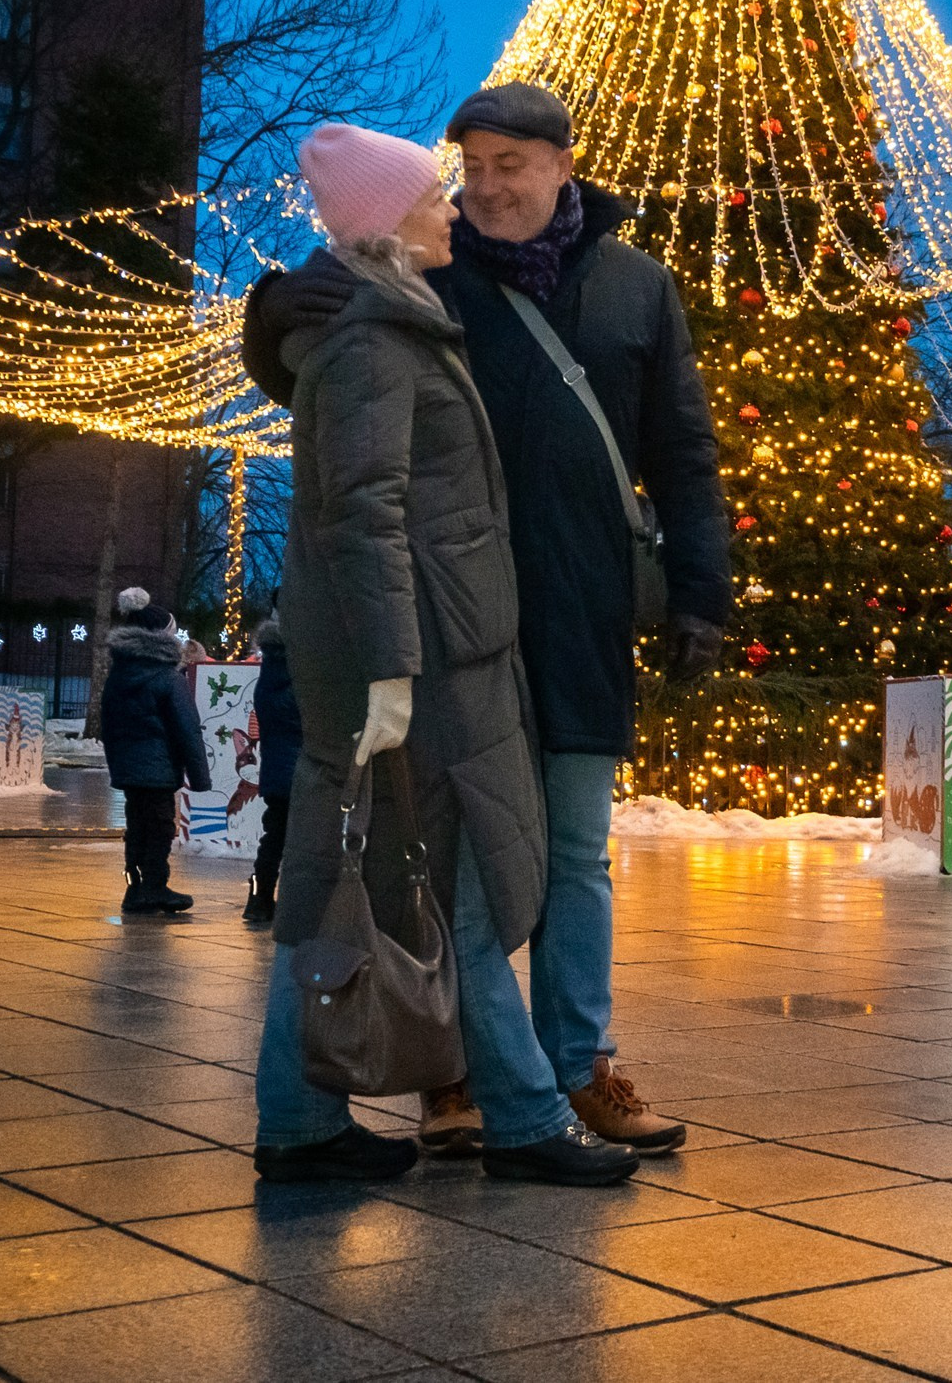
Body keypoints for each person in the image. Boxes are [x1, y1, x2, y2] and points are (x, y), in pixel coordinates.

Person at [246, 83, 728, 1158]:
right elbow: (332, 375)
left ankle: (574, 1070)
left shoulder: (634, 288)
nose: (489, 186)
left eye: (514, 163)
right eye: (473, 165)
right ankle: (455, 1078)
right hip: (452, 620)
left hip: (582, 610)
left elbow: (683, 452)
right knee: (442, 855)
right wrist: (277, 311)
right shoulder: (431, 271)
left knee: (570, 850)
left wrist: (701, 592)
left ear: (564, 165)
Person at [99, 586, 210, 915]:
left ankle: (135, 890)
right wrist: (200, 777)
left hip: (130, 769)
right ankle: (155, 887)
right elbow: (187, 728)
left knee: (137, 826)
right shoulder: (168, 677)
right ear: (163, 639)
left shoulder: (119, 674)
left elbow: (108, 723)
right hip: (159, 768)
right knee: (161, 826)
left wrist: (119, 760)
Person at [244, 609, 301, 924]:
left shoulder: (269, 674)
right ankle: (290, 904)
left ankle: (258, 898)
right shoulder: (303, 671)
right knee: (301, 841)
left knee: (273, 837)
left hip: (276, 771)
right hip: (303, 770)